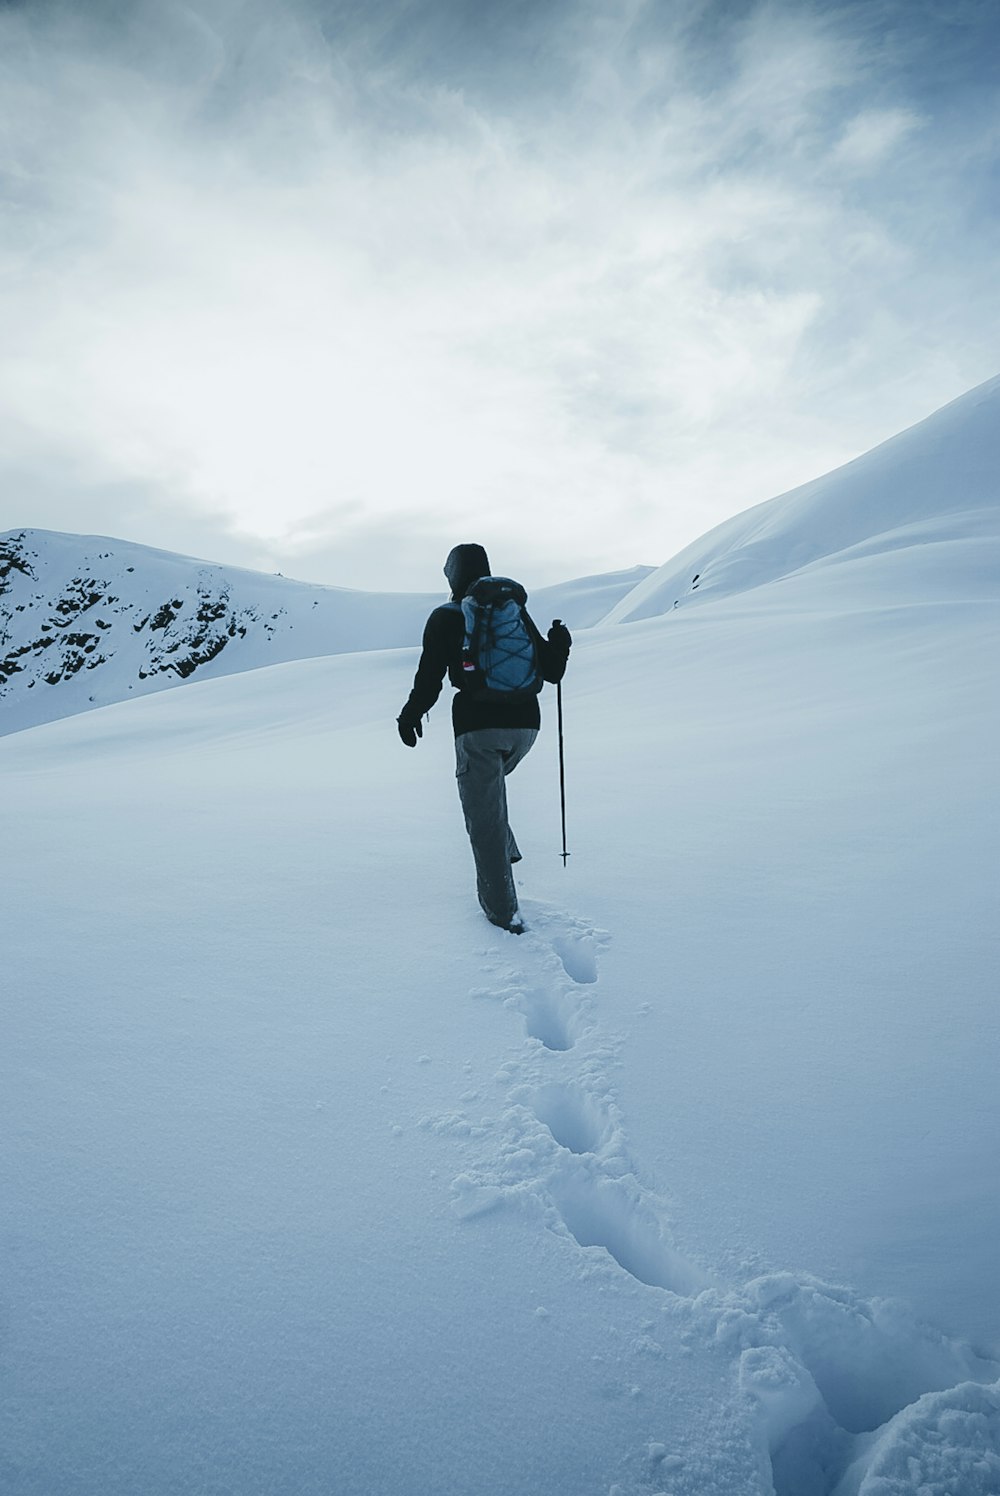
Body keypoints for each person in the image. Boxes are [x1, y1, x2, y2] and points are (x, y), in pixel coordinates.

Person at [397, 544, 571, 933]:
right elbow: (553, 671)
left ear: (452, 576)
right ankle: (505, 853)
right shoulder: (512, 609)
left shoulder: (445, 616)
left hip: (479, 728)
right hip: (527, 727)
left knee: (483, 820)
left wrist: (409, 715)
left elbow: (430, 681)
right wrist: (560, 643)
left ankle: (503, 917)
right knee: (488, 792)